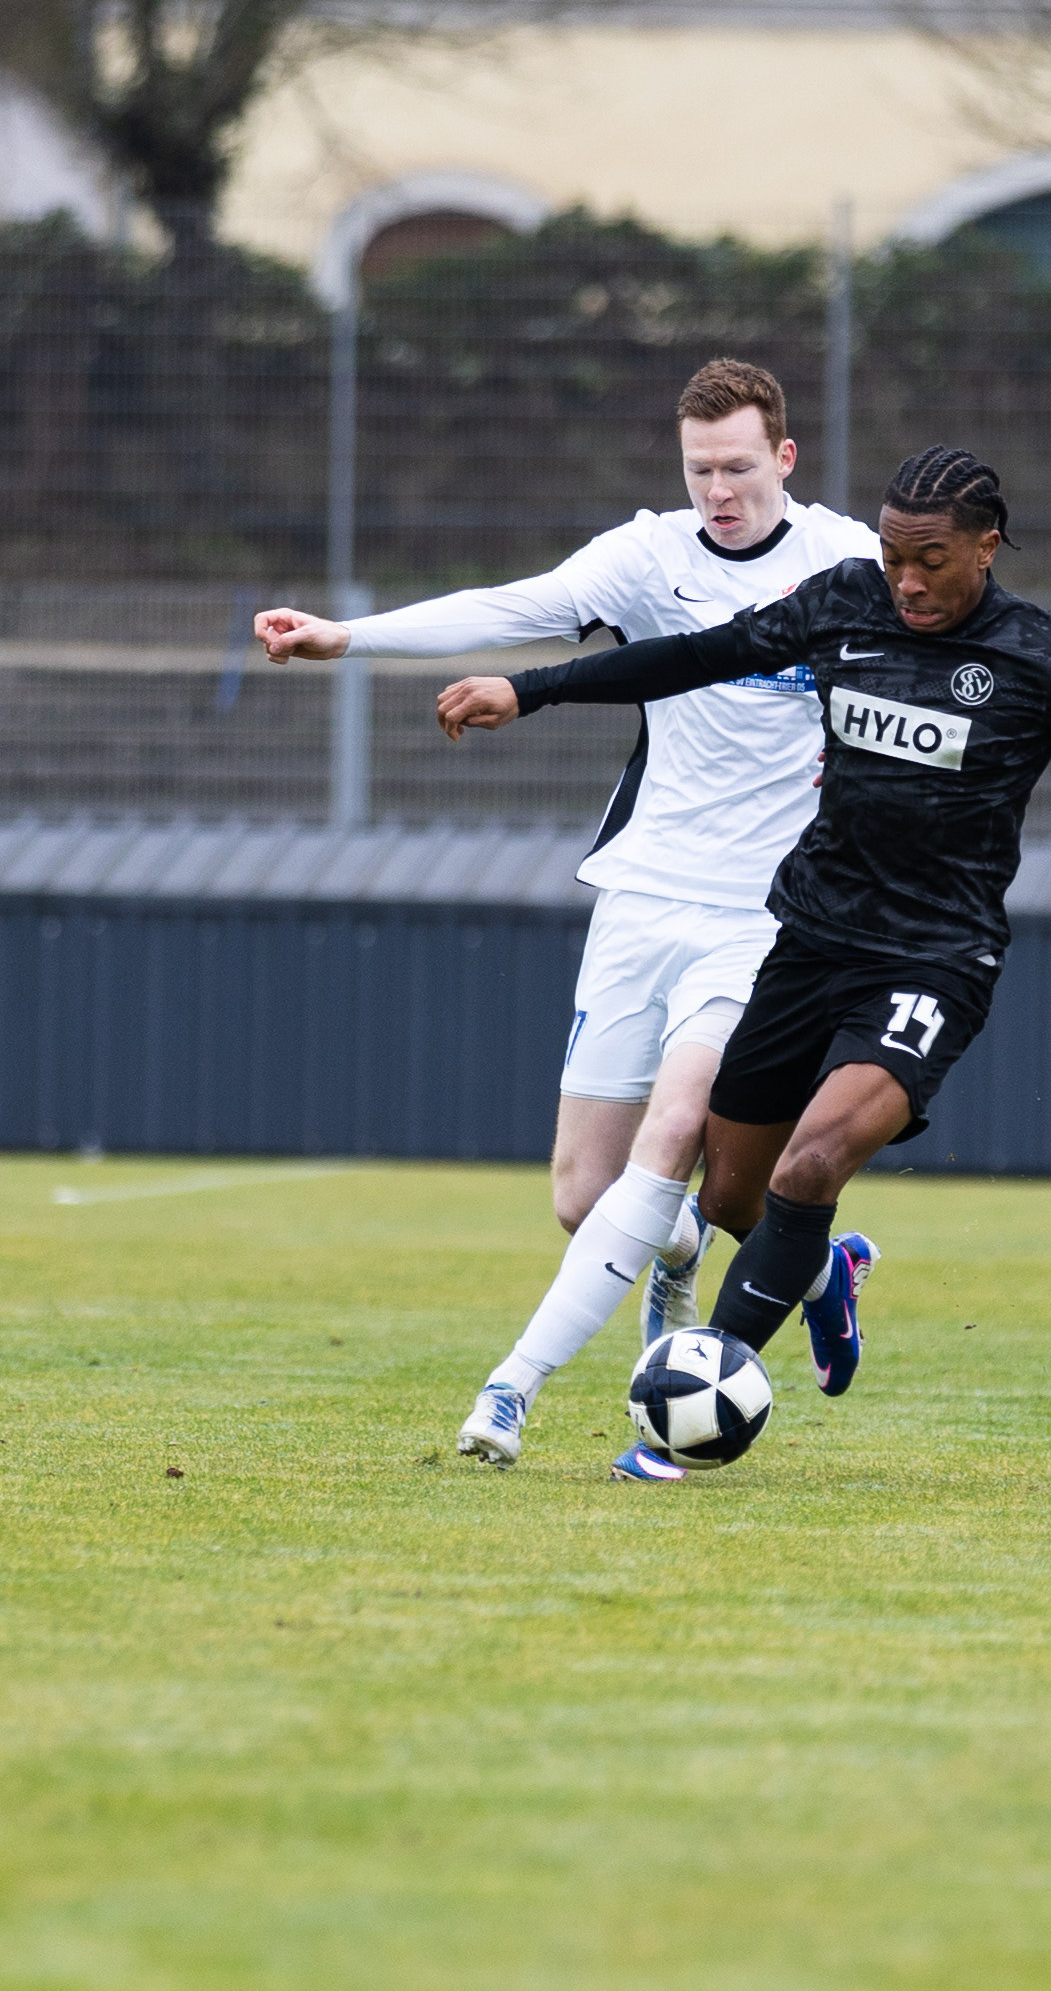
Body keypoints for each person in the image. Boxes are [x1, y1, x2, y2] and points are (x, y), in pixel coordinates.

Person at [440, 444, 1051, 1479]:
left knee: (813, 1163)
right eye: (891, 556)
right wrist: (534, 689)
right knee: (737, 1203)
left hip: (933, 960)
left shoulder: (1045, 659)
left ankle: (688, 1426)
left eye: (930, 559)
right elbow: (696, 655)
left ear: (986, 546)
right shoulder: (844, 603)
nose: (907, 580)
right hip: (808, 943)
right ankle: (826, 1273)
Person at [254, 359, 880, 1473]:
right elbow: (511, 609)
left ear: (784, 459)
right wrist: (346, 637)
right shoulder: (647, 556)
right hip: (642, 903)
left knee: (672, 1133)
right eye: (700, 471)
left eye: (739, 467)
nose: (719, 491)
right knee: (584, 1196)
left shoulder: (849, 565)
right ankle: (806, 1265)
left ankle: (511, 1391)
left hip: (763, 921)